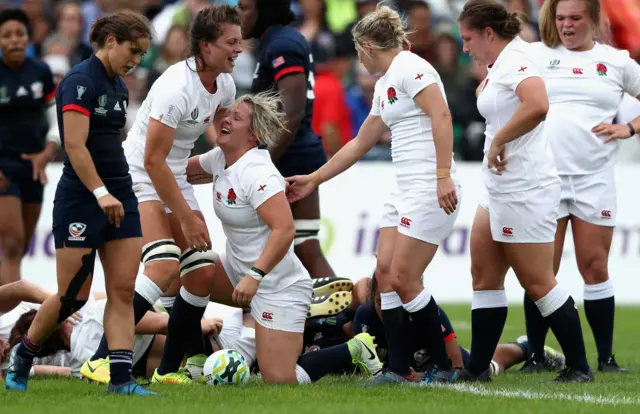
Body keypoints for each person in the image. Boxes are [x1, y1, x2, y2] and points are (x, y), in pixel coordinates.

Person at [286, 4, 461, 385]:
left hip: (429, 188)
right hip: (404, 191)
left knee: (404, 278)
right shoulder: (386, 84)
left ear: (366, 46)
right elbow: (360, 142)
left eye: (356, 51)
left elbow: (442, 115)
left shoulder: (413, 69)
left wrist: (443, 175)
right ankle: (398, 369)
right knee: (384, 274)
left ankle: (444, 367)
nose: (357, 60)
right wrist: (314, 178)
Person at [79, 5, 242, 386]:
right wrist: (185, 215)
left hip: (173, 173)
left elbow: (224, 144)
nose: (239, 49)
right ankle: (100, 359)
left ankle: (169, 372)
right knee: (163, 267)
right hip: (138, 173)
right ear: (206, 46)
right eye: (231, 42)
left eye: (240, 41)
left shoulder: (226, 85)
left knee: (200, 271)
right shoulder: (175, 87)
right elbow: (153, 160)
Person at [4, 11, 156, 396]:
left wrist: (115, 192)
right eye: (132, 51)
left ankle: (121, 380)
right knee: (74, 295)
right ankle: (23, 354)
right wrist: (100, 193)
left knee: (123, 291)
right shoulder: (79, 81)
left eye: (141, 54)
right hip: (82, 199)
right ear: (110, 41)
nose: (135, 60)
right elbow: (74, 145)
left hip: (119, 193)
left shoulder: (119, 87)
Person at [187, 92, 382, 384]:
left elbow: (285, 229)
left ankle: (355, 348)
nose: (225, 119)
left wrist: (254, 275)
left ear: (252, 136)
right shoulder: (220, 158)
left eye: (236, 117)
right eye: (228, 115)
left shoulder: (258, 174)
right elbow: (177, 172)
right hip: (236, 275)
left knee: (279, 380)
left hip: (276, 287)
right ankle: (192, 359)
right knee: (188, 268)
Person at [455, 0, 593, 383]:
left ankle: (579, 367)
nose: (464, 47)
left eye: (467, 38)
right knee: (483, 275)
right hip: (498, 186)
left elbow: (538, 104)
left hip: (524, 188)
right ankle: (477, 369)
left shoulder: (516, 60)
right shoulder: (503, 61)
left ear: (487, 33)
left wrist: (499, 140)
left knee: (537, 282)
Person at [519, 0, 640, 374]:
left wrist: (630, 128)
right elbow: (495, 92)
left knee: (594, 266)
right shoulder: (535, 55)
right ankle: (536, 355)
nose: (567, 26)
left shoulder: (617, 61)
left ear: (593, 20)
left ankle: (606, 358)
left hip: (594, 179)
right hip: (544, 178)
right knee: (542, 272)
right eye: (560, 19)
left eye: (575, 19)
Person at [237, 0, 337, 280]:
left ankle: (349, 316)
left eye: (244, 7)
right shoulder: (276, 42)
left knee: (304, 246)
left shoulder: (283, 45)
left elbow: (292, 112)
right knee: (297, 246)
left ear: (264, 9)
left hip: (291, 158)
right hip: (294, 155)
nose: (238, 14)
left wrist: (263, 165)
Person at [353, 273, 567, 378]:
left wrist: (421, 377)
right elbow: (363, 367)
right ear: (372, 299)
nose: (387, 311)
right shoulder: (365, 316)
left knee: (488, 366)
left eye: (395, 302)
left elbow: (454, 365)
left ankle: (525, 347)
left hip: (434, 359)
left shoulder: (425, 313)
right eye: (381, 303)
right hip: (404, 361)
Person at [0, 9, 60, 286]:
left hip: (35, 167)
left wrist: (48, 151)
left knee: (20, 248)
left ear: (29, 38)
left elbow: (54, 116)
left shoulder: (41, 72)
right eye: (7, 35)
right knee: (11, 243)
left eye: (19, 34)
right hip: (3, 167)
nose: (14, 41)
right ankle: (7, 321)